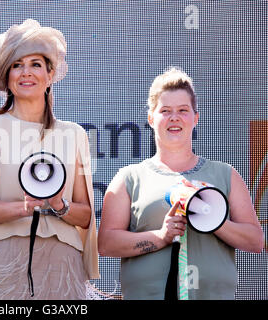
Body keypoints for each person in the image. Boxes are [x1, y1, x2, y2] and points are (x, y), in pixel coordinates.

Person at [0, 19, 99, 299]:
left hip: (62, 260)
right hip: (2, 258)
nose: (26, 73)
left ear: (50, 75)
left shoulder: (74, 134)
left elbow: (86, 215)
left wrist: (58, 205)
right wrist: (25, 207)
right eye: (17, 65)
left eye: (36, 64)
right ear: (7, 76)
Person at [98, 67, 264, 300]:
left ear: (196, 118)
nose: (174, 117)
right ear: (151, 119)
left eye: (183, 110)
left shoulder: (226, 174)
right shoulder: (129, 177)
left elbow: (255, 241)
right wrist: (161, 236)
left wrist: (212, 220)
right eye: (165, 111)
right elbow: (106, 244)